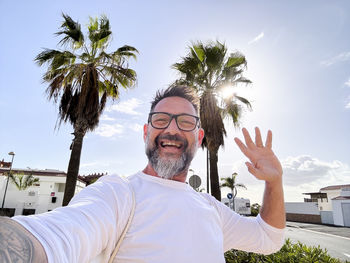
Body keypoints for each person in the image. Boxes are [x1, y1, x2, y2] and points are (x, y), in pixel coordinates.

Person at [0, 85, 285, 263]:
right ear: (146, 133)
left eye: (185, 122)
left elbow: (269, 239)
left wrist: (274, 183)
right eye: (161, 120)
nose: (172, 129)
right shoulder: (117, 194)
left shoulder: (210, 207)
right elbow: (57, 236)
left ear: (198, 138)